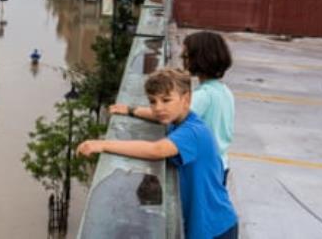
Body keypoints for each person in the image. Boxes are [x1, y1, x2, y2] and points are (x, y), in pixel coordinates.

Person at [77, 69, 238, 239]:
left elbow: (157, 150)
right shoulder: (179, 121)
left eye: (166, 100)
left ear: (187, 99)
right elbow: (157, 115)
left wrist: (103, 144)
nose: (158, 108)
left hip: (215, 228)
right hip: (207, 223)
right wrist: (131, 110)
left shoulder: (193, 132)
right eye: (153, 101)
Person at [109, 31, 234, 185]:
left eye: (186, 56)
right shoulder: (223, 90)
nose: (182, 60)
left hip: (206, 168)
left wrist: (132, 110)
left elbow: (167, 115)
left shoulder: (204, 96)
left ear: (199, 58)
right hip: (221, 162)